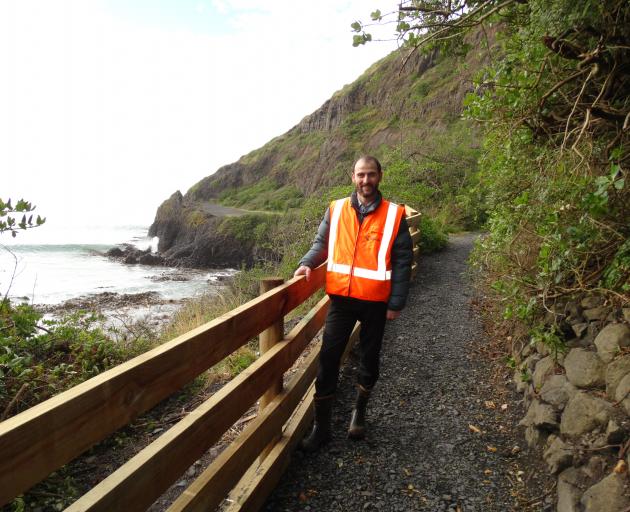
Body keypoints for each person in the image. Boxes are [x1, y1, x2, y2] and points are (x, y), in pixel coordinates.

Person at [294, 155, 413, 452]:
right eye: (361, 175)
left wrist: (396, 302)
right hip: (341, 300)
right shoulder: (336, 209)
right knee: (328, 360)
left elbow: (401, 260)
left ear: (380, 176)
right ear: (353, 177)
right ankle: (322, 428)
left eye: (371, 175)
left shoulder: (394, 214)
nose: (365, 180)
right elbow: (321, 244)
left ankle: (359, 412)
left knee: (369, 360)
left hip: (375, 301)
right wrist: (307, 263)